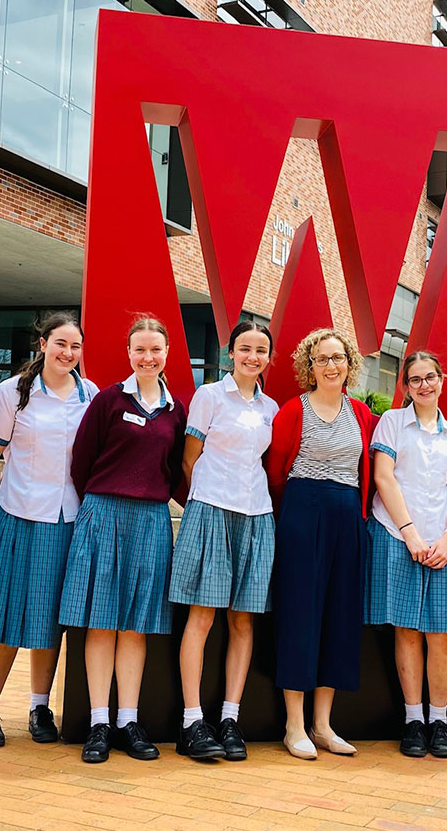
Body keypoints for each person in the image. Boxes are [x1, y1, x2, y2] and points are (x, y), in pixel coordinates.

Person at [59, 316, 187, 763]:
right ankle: (98, 722)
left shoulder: (175, 410)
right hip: (102, 512)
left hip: (151, 520)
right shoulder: (108, 400)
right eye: (140, 351)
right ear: (128, 354)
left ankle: (128, 721)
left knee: (135, 625)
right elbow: (82, 461)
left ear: (166, 353)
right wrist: (99, 506)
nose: (148, 358)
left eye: (155, 350)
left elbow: (174, 467)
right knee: (100, 621)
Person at [0, 314, 98, 747]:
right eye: (60, 343)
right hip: (17, 515)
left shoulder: (90, 395)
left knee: (50, 621)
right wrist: (0, 507)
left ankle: (39, 706)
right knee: (7, 615)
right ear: (43, 344)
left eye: (76, 346)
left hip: (68, 519)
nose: (68, 353)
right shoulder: (12, 393)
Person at [170, 321, 279, 761]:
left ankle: (230, 718)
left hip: (257, 515)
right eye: (245, 348)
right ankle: (191, 722)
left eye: (261, 350)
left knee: (243, 621)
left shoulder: (272, 407)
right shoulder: (209, 396)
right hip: (211, 510)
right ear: (230, 352)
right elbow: (189, 459)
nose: (253, 356)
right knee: (201, 617)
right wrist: (208, 500)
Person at [266, 328, 375, 760]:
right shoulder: (294, 410)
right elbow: (276, 471)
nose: (331, 365)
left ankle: (323, 724)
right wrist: (293, 515)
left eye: (338, 357)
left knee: (339, 615)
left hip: (347, 514)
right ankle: (294, 725)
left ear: (350, 363)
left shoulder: (363, 414)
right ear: (308, 367)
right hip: (301, 512)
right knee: (299, 613)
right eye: (322, 359)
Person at [365, 351, 447, 759]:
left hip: (443, 541)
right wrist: (409, 534)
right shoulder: (392, 423)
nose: (424, 385)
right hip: (397, 535)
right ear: (405, 386)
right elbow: (382, 477)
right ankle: (413, 719)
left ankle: (439, 719)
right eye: (415, 380)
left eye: (431, 377)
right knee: (407, 629)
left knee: (442, 634)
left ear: (443, 380)